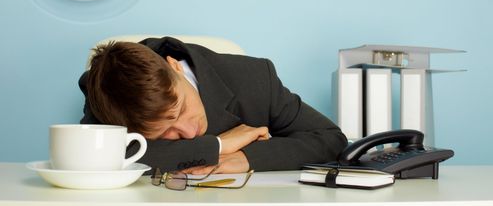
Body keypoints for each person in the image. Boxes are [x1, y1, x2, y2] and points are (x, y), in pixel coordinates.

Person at [79, 36, 347, 174]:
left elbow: (330, 139)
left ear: (175, 67)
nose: (187, 131)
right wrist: (218, 146)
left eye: (181, 109)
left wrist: (246, 157)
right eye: (163, 132)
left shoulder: (254, 79)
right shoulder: (105, 92)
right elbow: (95, 160)